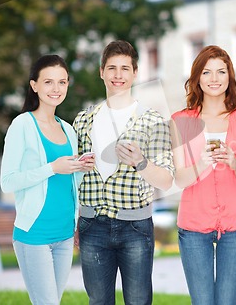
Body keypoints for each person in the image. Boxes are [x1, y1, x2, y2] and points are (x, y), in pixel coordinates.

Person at [72, 40, 174, 305]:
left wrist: (141, 162)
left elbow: (167, 178)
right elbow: (75, 177)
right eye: (112, 68)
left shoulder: (153, 121)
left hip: (135, 228)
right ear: (101, 72)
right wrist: (75, 218)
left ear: (135, 73)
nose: (118, 75)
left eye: (125, 69)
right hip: (92, 224)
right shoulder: (83, 120)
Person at [0, 55, 94, 304]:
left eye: (62, 82)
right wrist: (51, 168)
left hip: (64, 233)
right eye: (49, 82)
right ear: (34, 85)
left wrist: (82, 168)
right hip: (34, 234)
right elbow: (7, 182)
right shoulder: (22, 125)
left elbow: (68, 180)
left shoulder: (68, 129)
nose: (56, 89)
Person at [170, 45, 236, 305]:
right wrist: (201, 163)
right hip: (193, 226)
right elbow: (180, 179)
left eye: (221, 72)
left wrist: (234, 161)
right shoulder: (180, 121)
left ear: (230, 77)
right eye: (207, 72)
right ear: (197, 77)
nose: (214, 79)